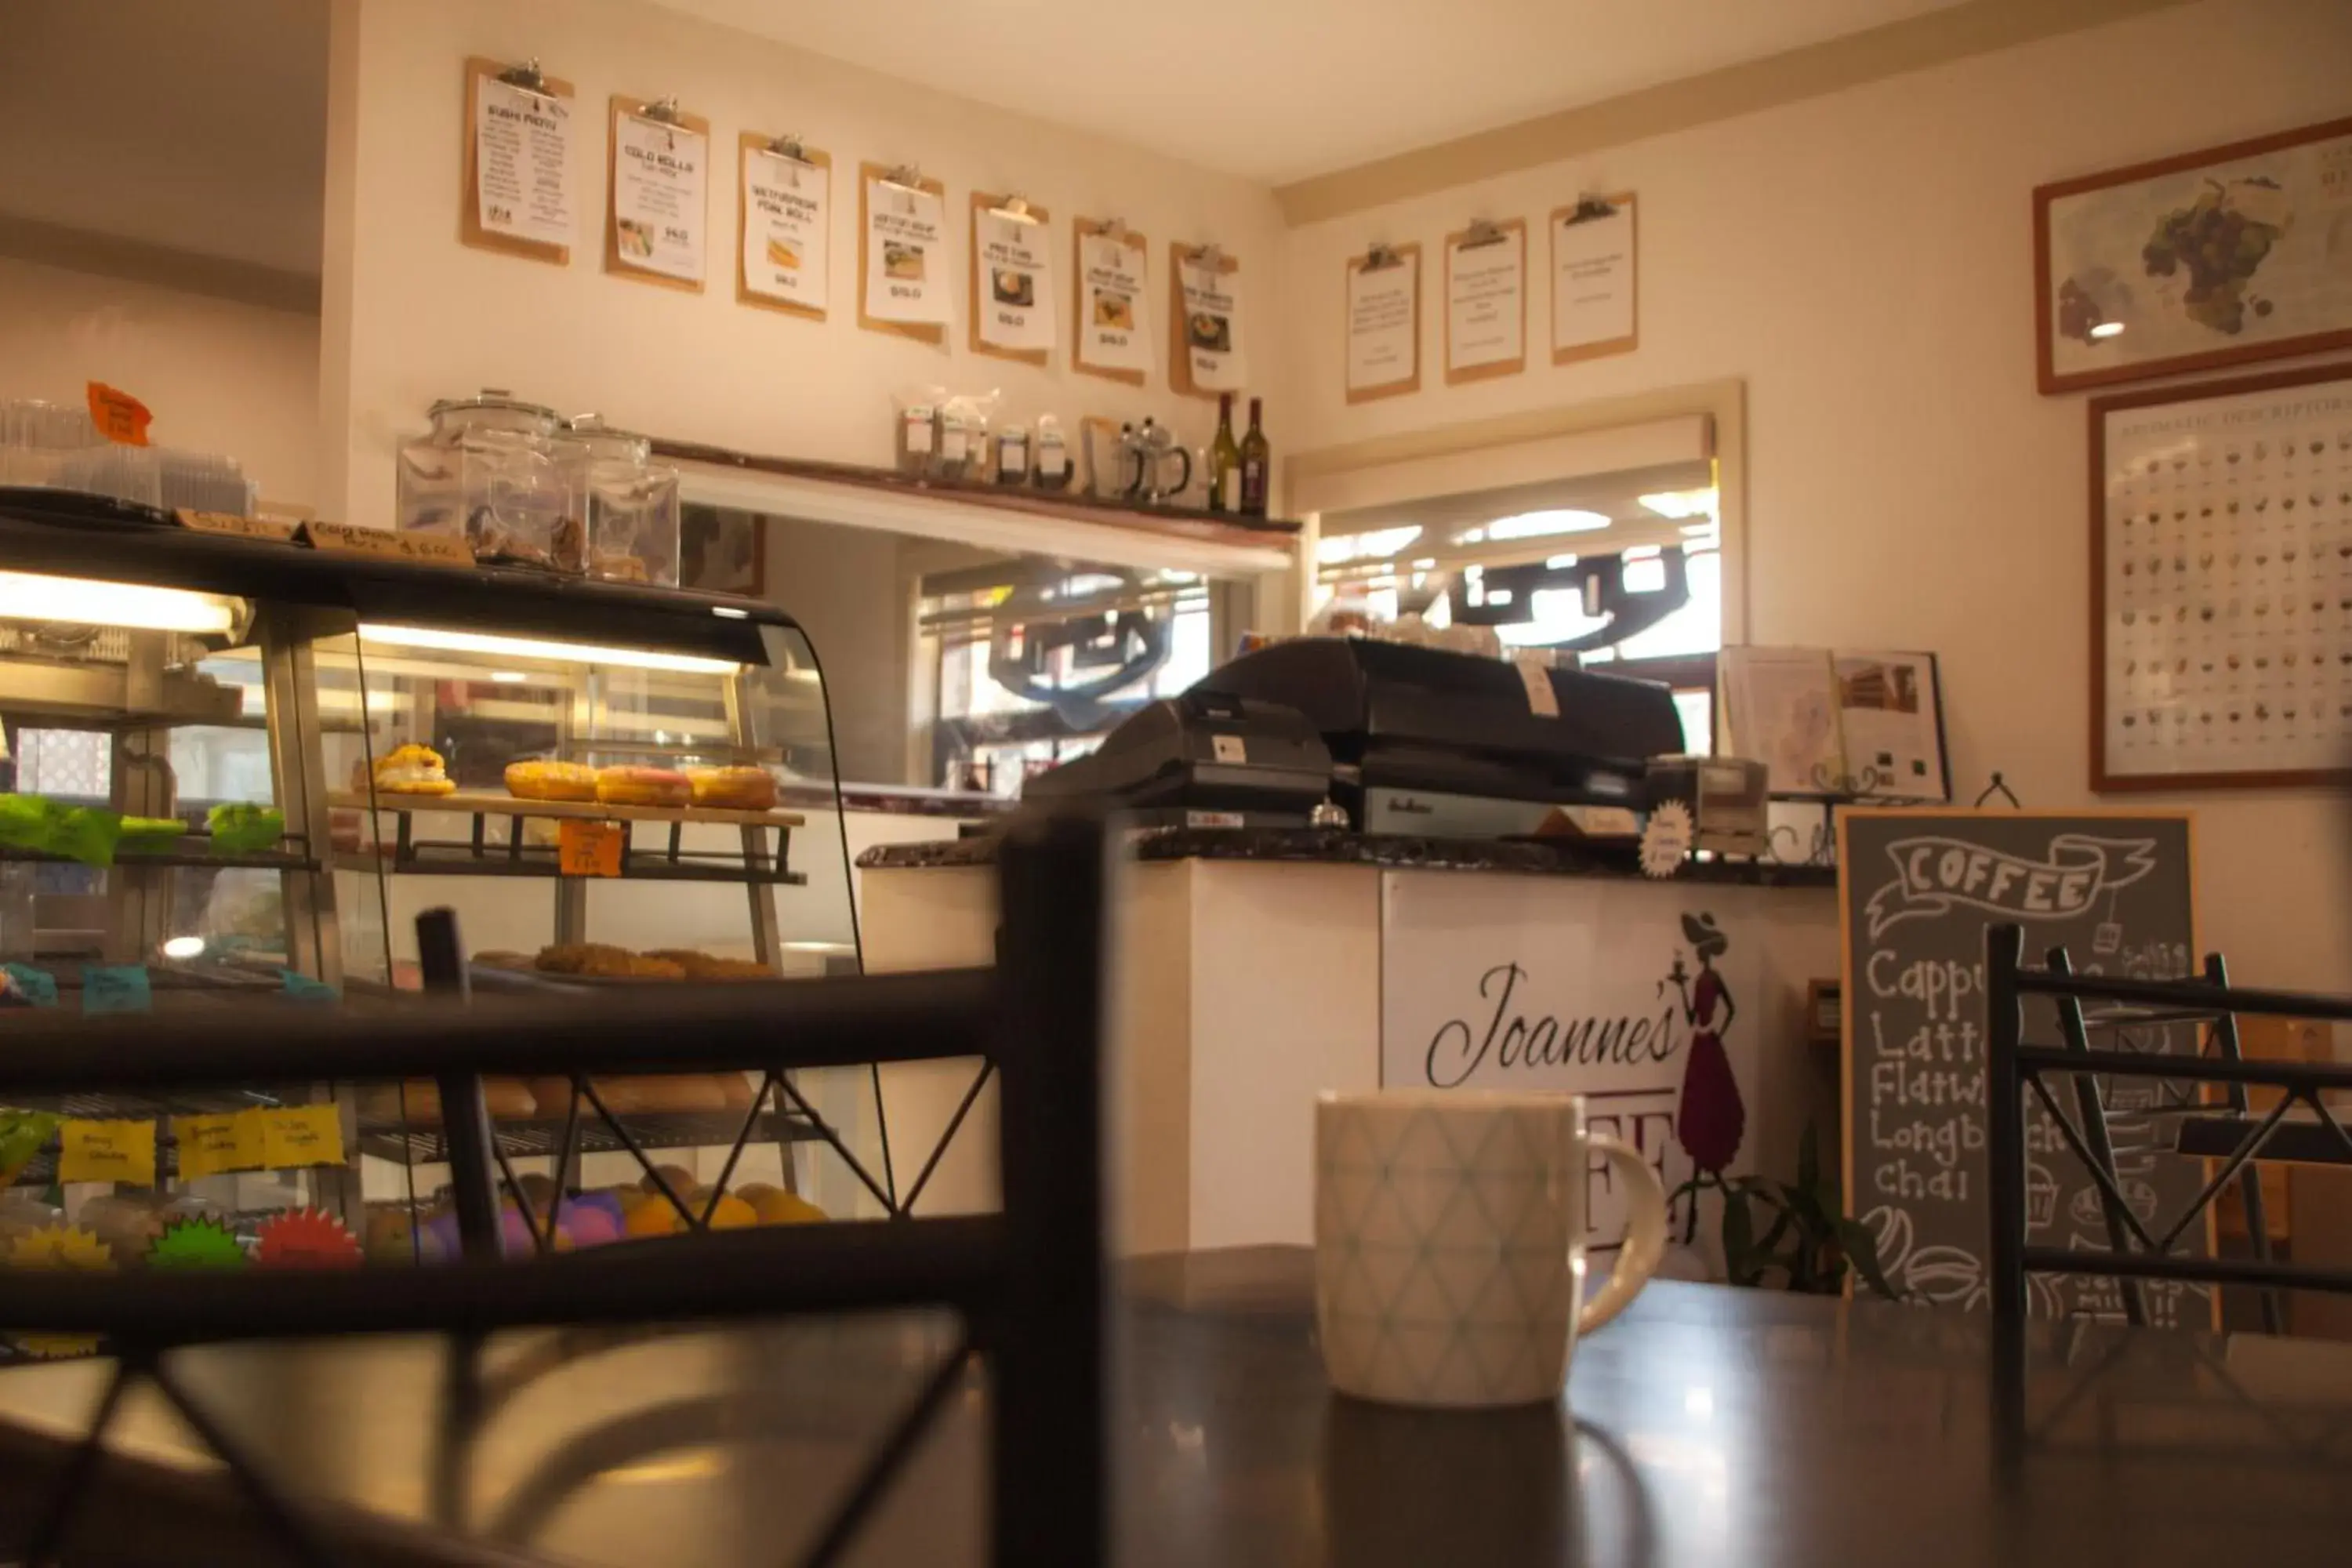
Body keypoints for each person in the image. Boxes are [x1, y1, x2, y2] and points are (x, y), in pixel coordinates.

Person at [1669, 912, 1745, 1240]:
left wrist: (1720, 1031)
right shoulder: (1699, 981)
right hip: (1700, 1045)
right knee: (1699, 1107)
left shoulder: (1714, 980)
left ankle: (1712, 1192)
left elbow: (1732, 1008)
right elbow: (1690, 1017)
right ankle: (1707, 1192)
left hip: (1709, 1045)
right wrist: (1682, 989)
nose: (1699, 954)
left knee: (1712, 1107)